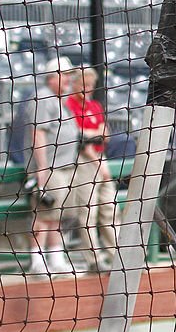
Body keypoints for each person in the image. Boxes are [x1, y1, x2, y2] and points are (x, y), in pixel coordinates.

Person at [25, 55, 78, 275]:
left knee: (57, 215)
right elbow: (38, 134)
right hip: (51, 166)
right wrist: (42, 168)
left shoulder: (60, 99)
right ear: (51, 77)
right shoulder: (43, 98)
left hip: (65, 165)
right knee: (43, 213)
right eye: (64, 75)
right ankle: (37, 261)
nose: (68, 79)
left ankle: (56, 258)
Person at [65, 66, 119, 272]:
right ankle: (94, 260)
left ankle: (116, 256)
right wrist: (91, 135)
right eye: (83, 84)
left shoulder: (94, 105)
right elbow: (79, 139)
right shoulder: (68, 105)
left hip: (99, 157)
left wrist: (92, 135)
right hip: (82, 161)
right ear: (75, 84)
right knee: (88, 212)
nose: (87, 89)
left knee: (109, 209)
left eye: (90, 85)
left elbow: (105, 134)